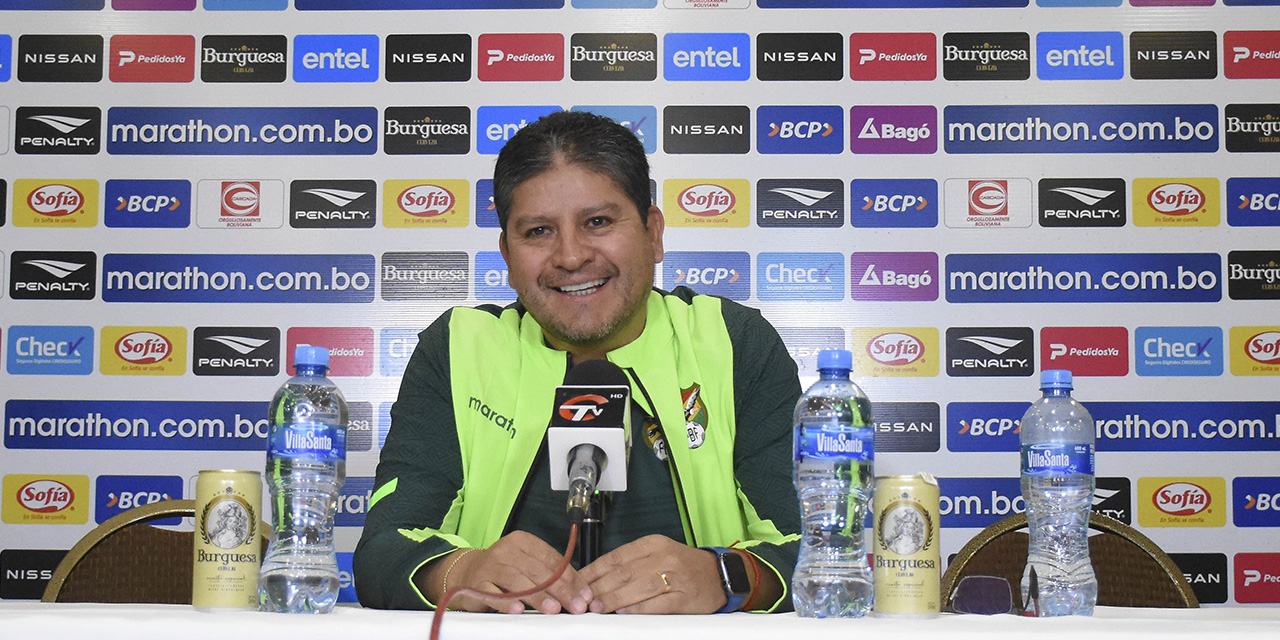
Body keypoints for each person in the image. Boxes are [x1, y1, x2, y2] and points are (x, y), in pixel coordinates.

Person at [353, 110, 801, 615]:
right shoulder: (459, 348)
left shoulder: (733, 341)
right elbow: (383, 554)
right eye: (539, 231)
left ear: (654, 234)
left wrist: (723, 576)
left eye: (598, 222)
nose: (569, 256)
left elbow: (816, 546)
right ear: (506, 253)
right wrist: (462, 572)